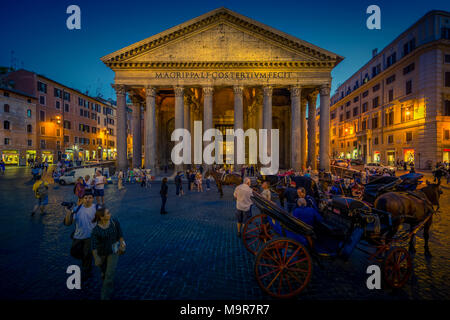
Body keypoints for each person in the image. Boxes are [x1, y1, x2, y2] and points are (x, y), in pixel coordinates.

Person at [91, 207, 125, 300]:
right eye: (108, 213)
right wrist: (96, 258)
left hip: (113, 252)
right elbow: (93, 246)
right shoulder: (96, 230)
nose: (110, 214)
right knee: (104, 273)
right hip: (101, 253)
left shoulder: (114, 222)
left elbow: (120, 235)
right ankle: (106, 280)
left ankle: (105, 296)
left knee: (109, 274)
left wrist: (122, 244)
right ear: (102, 217)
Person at [63, 190, 97, 281]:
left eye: (90, 198)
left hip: (90, 237)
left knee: (87, 255)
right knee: (74, 252)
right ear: (82, 199)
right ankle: (87, 260)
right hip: (78, 236)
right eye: (85, 198)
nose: (87, 200)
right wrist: (68, 212)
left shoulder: (97, 208)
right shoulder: (77, 209)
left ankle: (87, 272)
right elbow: (67, 223)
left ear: (93, 199)